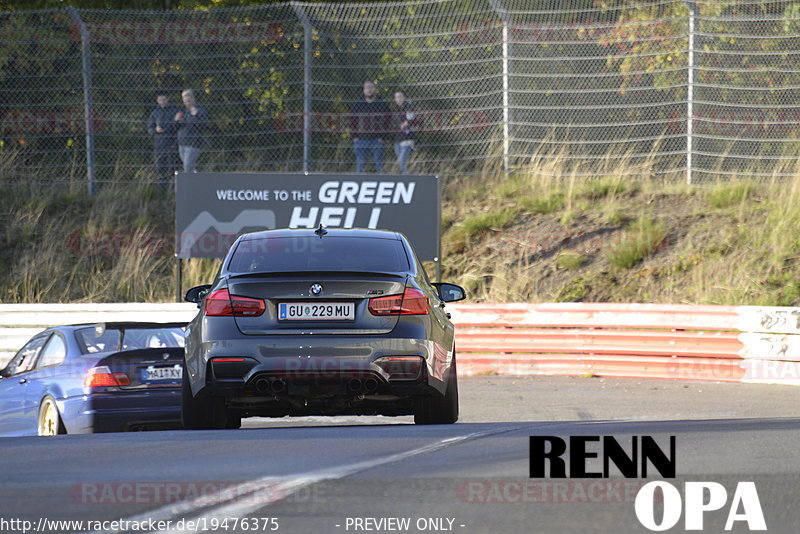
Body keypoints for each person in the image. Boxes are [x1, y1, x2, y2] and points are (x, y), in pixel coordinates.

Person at [349, 80, 391, 173]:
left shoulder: (382, 104)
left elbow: (388, 121)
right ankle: (358, 183)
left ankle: (381, 184)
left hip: (377, 140)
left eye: (371, 87)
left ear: (375, 89)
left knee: (379, 165)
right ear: (363, 90)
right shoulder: (357, 104)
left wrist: (383, 137)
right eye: (367, 87)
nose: (369, 90)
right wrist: (354, 137)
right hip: (361, 139)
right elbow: (352, 121)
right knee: (360, 165)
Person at [146, 91, 180, 180]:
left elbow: (178, 126)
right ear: (157, 100)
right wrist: (155, 130)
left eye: (164, 99)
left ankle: (173, 190)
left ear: (168, 99)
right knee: (160, 169)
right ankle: (161, 191)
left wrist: (170, 126)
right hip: (159, 145)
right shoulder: (154, 113)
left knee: (172, 167)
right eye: (160, 100)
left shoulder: (175, 111)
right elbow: (150, 128)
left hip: (172, 144)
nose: (162, 101)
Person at [174, 89, 208, 173]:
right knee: (188, 167)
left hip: (193, 143)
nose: (187, 103)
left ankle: (190, 184)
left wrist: (194, 116)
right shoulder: (183, 111)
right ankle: (194, 178)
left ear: (193, 99)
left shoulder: (200, 111)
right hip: (182, 143)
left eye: (189, 101)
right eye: (185, 101)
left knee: (188, 165)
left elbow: (203, 126)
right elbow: (175, 127)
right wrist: (176, 120)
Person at [392, 90, 417, 174]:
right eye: (396, 97)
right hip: (397, 139)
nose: (398, 99)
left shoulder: (410, 107)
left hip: (407, 139)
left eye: (400, 96)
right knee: (401, 162)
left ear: (404, 97)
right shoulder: (395, 110)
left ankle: (406, 178)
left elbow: (413, 119)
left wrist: (408, 122)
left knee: (402, 161)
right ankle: (407, 175)